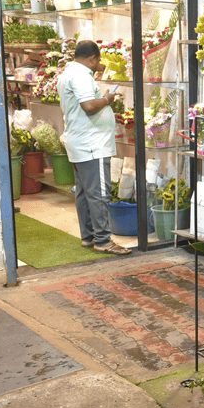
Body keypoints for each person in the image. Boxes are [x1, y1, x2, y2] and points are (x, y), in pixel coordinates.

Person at [58, 40, 131, 255]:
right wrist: (107, 100)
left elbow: (82, 108)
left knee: (84, 192)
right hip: (92, 145)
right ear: (92, 58)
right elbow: (89, 106)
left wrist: (108, 115)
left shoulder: (68, 74)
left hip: (80, 142)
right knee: (99, 193)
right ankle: (103, 240)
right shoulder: (81, 75)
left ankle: (88, 237)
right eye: (97, 61)